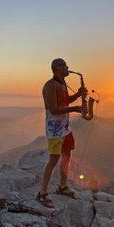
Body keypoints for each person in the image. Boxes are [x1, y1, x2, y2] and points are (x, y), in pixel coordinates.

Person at [37, 58, 88, 208]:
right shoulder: (50, 86)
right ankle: (42, 193)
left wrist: (78, 95)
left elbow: (64, 102)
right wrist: (76, 109)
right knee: (53, 160)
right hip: (55, 130)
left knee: (67, 155)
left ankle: (63, 186)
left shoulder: (62, 84)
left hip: (65, 128)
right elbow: (53, 109)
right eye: (65, 66)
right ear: (57, 68)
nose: (68, 68)